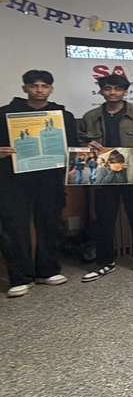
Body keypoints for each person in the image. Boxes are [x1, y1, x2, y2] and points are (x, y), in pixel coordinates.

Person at [0, 70, 78, 298]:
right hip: (14, 180)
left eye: (44, 86)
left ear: (51, 89)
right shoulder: (4, 114)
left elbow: (72, 145)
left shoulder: (63, 116)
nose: (39, 90)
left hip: (50, 178)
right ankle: (20, 278)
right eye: (34, 86)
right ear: (25, 88)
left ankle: (48, 270)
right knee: (14, 228)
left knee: (50, 223)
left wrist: (74, 162)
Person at [78, 74, 133, 281]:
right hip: (103, 175)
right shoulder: (90, 117)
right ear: (101, 91)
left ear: (125, 92)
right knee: (104, 220)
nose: (113, 92)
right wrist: (86, 145)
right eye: (108, 88)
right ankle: (104, 262)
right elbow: (79, 142)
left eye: (118, 89)